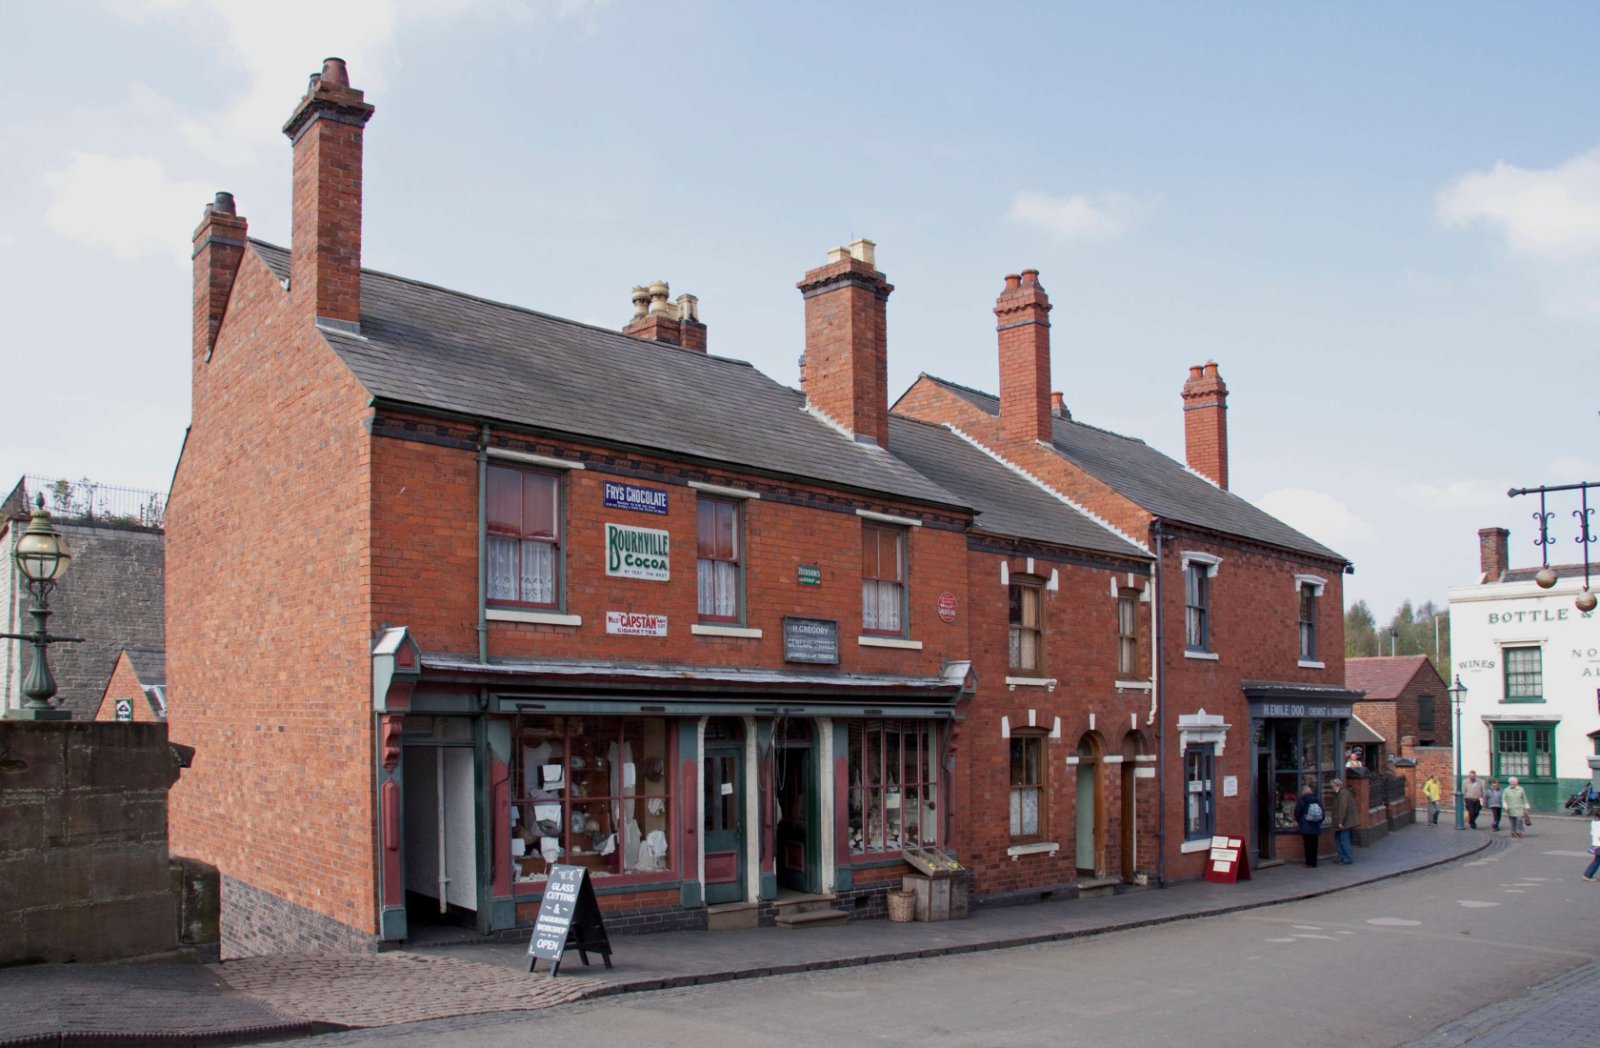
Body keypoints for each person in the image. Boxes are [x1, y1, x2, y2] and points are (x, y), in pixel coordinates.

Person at [1294, 783, 1324, 867]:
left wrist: (1300, 820)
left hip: (1306, 826)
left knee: (1307, 845)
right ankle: (1314, 863)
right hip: (1315, 826)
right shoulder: (1317, 800)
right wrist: (1319, 821)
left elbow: (1297, 812)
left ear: (1303, 792)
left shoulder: (1302, 800)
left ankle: (1308, 863)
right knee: (1314, 845)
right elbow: (1322, 813)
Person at [1330, 778, 1358, 865]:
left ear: (1337, 785)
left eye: (1332, 786)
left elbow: (1343, 808)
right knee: (1339, 839)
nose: (1332, 788)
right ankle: (1342, 856)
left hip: (1344, 822)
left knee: (1343, 839)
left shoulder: (1343, 794)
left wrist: (1340, 822)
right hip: (1343, 821)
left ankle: (1347, 858)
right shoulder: (1341, 793)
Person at [1585, 811, 1600, 881]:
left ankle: (1587, 875)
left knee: (1597, 860)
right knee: (1597, 861)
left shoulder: (1594, 822)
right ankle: (1587, 875)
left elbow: (1592, 833)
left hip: (1595, 844)